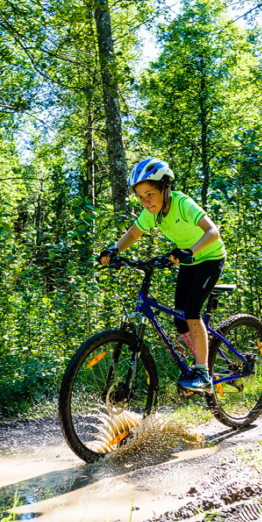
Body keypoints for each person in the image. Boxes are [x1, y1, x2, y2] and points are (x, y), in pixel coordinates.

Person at [99, 158, 226, 393]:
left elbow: (213, 232)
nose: (146, 202)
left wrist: (189, 251)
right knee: (180, 320)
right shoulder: (151, 214)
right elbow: (133, 234)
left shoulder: (183, 204)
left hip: (209, 258)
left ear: (165, 189)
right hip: (189, 261)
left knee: (191, 312)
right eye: (141, 197)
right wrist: (114, 250)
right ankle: (203, 358)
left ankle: (202, 373)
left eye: (150, 194)